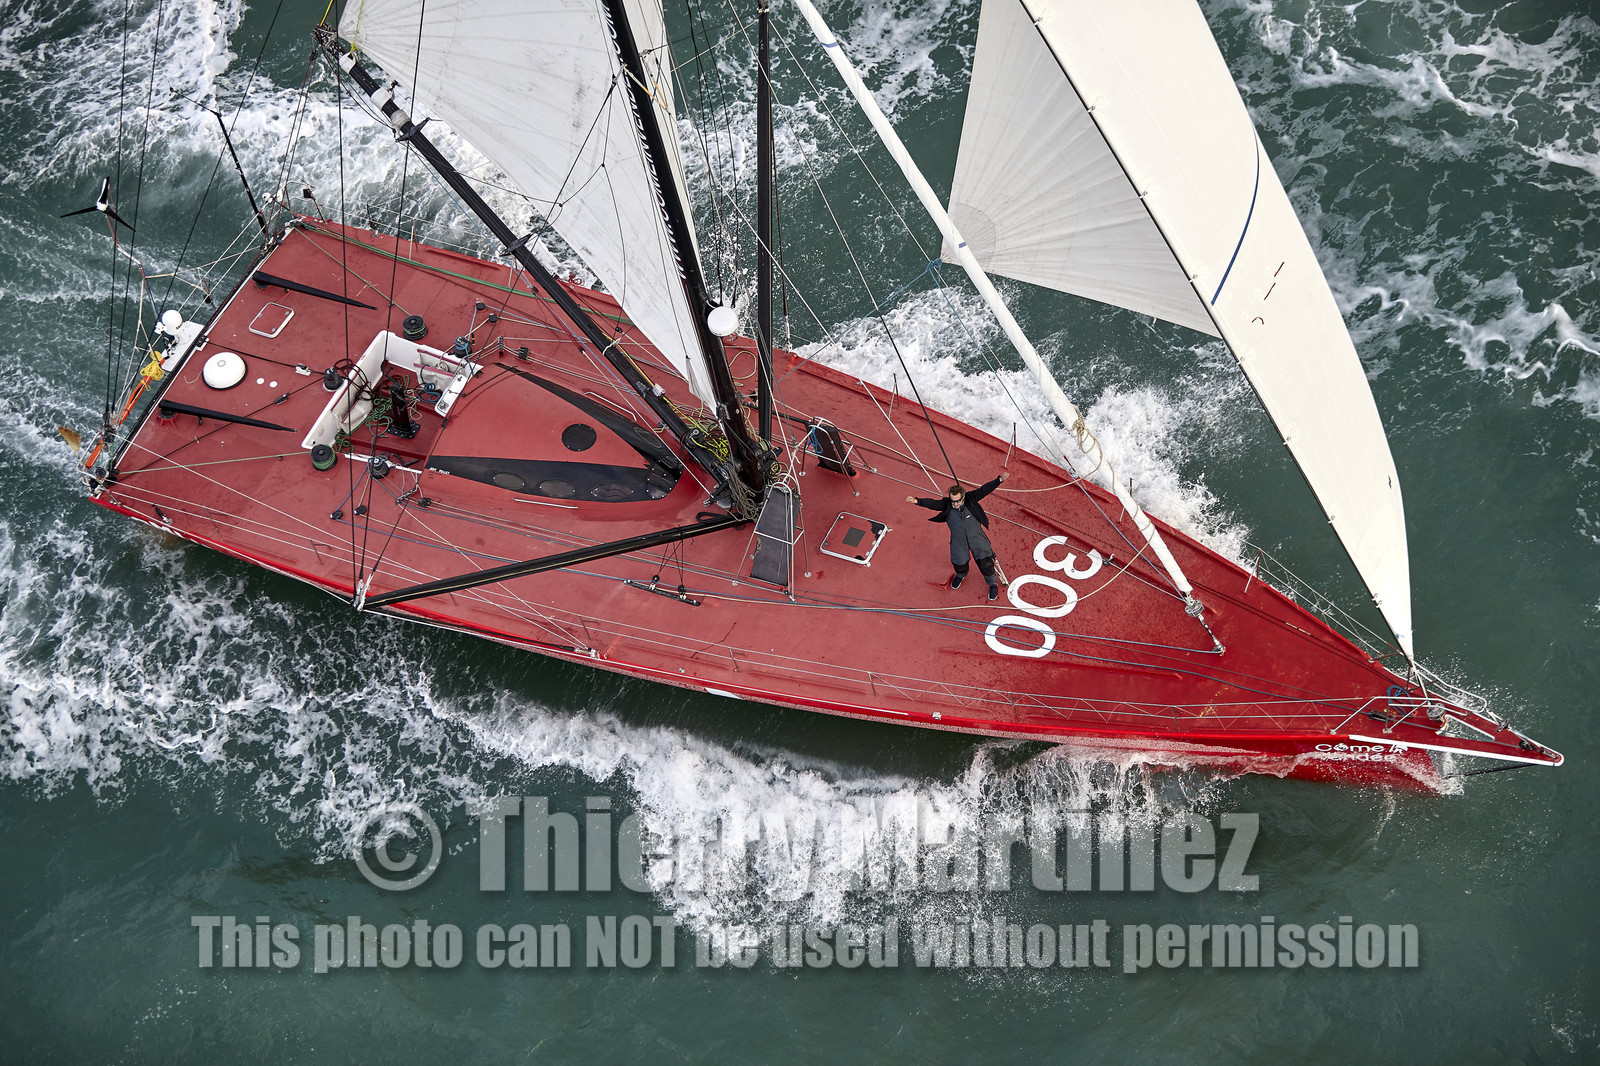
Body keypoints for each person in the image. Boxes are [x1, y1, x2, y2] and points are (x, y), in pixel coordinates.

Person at [907, 472, 1008, 600]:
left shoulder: (971, 498)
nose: (954, 504)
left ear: (963, 496)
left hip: (977, 538)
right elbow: (933, 504)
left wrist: (999, 480)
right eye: (952, 501)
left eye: (958, 501)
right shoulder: (947, 504)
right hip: (959, 542)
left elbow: (984, 490)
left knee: (986, 562)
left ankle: (992, 583)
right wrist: (917, 501)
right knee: (959, 562)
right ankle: (961, 575)